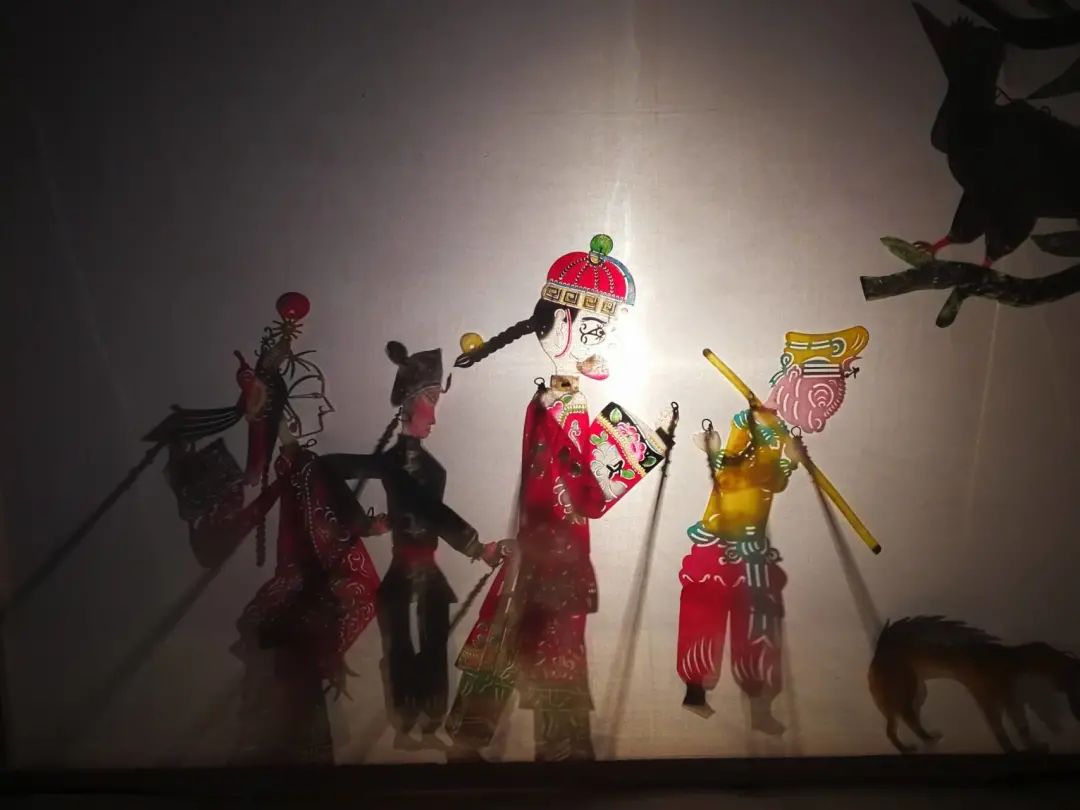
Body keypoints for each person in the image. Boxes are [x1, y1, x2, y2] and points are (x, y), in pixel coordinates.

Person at [444, 234, 674, 762]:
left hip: (543, 545)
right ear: (562, 326)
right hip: (555, 552)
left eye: (605, 333)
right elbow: (588, 494)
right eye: (595, 331)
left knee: (512, 637)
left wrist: (641, 439)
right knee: (551, 647)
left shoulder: (554, 399)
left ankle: (475, 739)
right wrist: (647, 444)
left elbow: (580, 470)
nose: (602, 344)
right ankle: (559, 750)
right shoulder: (560, 404)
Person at [676, 327, 869, 735]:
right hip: (721, 536)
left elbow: (772, 482)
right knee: (705, 616)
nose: (823, 406)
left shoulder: (776, 433)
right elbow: (731, 476)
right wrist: (782, 460)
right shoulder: (746, 423)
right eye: (821, 394)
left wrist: (789, 459)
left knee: (758, 626)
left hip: (752, 543)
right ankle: (696, 691)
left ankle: (758, 705)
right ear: (794, 382)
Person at [321, 341, 503, 749]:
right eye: (431, 400)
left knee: (433, 647)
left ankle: (428, 725)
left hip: (428, 571)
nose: (434, 415)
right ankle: (406, 728)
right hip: (403, 570)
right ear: (409, 403)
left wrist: (476, 547)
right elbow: (329, 467)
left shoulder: (428, 468)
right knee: (401, 648)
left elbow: (429, 509)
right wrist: (362, 523)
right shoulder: (394, 465)